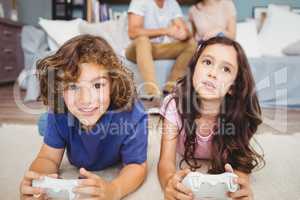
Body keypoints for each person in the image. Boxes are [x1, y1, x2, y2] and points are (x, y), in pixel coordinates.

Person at [20, 35, 148, 200]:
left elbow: (136, 165)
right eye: (72, 86)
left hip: (101, 116)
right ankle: (45, 122)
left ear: (113, 84)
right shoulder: (59, 111)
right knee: (46, 122)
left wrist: (114, 189)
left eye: (97, 85)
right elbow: (48, 157)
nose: (85, 99)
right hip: (64, 117)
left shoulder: (133, 115)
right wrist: (38, 183)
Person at [158, 36, 265, 200]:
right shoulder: (174, 105)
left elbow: (241, 161)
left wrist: (240, 186)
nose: (213, 73)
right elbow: (166, 161)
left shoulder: (239, 114)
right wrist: (169, 183)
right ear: (194, 69)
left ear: (233, 87)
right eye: (207, 62)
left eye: (226, 69)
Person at [126, 0, 197, 97]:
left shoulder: (172, 3)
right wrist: (166, 31)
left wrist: (184, 34)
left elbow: (184, 30)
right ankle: (153, 93)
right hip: (136, 49)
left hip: (157, 48)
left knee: (191, 44)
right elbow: (133, 32)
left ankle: (170, 89)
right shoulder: (140, 1)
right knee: (143, 40)